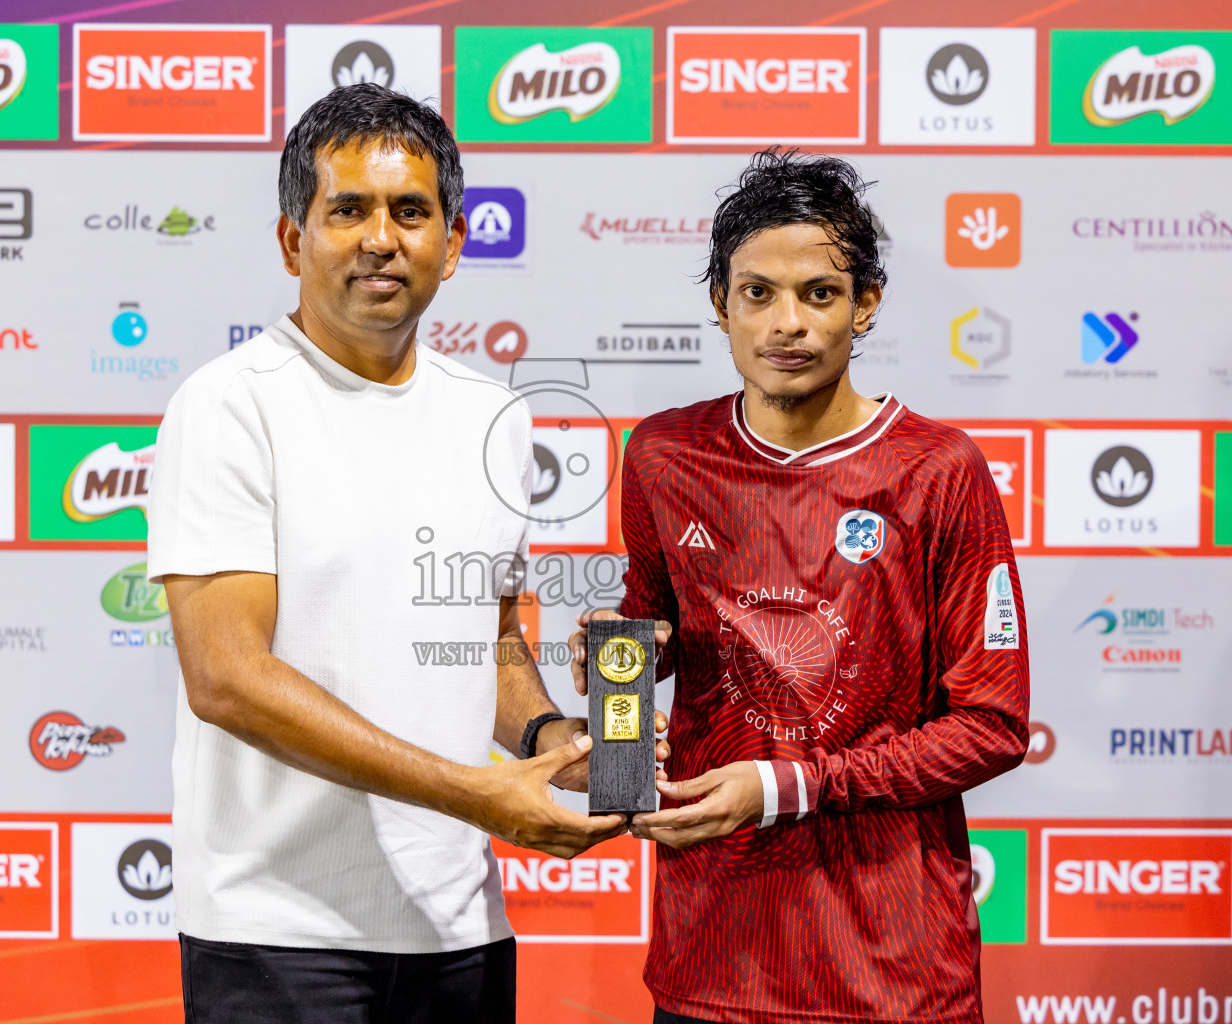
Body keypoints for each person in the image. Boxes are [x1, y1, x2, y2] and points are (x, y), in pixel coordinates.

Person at [149, 84, 659, 1024]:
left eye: (411, 212)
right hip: (279, 933)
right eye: (348, 209)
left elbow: (490, 638)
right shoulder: (230, 404)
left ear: (454, 244)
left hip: (457, 927)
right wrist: (478, 795)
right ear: (292, 241)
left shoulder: (494, 416)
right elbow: (226, 677)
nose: (381, 238)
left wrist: (553, 743)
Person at [571, 149, 1030, 1024]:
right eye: (758, 294)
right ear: (721, 305)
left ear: (866, 305)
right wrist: (618, 671)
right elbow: (651, 633)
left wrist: (788, 787)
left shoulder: (939, 471)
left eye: (819, 293)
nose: (788, 323)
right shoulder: (664, 457)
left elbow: (993, 727)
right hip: (712, 956)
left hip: (891, 971)